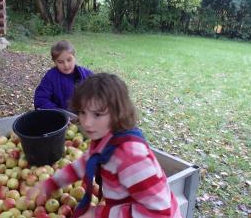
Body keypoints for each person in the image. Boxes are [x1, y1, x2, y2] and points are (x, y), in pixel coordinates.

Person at [28, 73, 182, 218]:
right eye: (82, 112)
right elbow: (83, 164)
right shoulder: (104, 139)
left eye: (97, 114)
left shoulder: (131, 158)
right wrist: (50, 184)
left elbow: (159, 212)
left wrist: (99, 213)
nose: (87, 122)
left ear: (118, 113)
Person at [34, 40, 93, 110]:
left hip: (85, 116)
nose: (66, 65)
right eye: (60, 62)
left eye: (69, 60)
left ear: (74, 57)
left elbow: (99, 96)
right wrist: (59, 113)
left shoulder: (88, 75)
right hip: (59, 117)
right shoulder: (50, 77)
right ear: (54, 62)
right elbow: (40, 100)